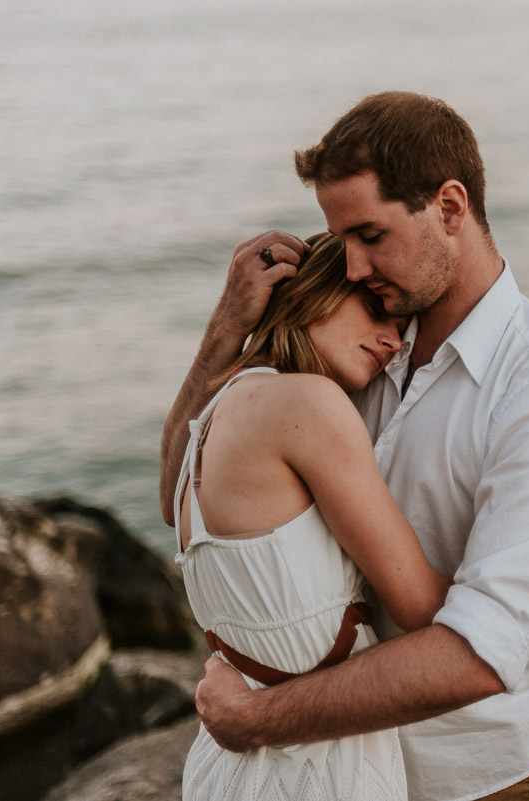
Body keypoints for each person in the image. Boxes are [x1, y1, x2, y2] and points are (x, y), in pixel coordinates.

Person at [160, 91, 529, 801]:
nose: (354, 265)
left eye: (370, 235)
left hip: (474, 776)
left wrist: (259, 717)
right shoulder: (352, 351)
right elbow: (182, 488)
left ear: (450, 208)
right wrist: (225, 334)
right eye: (340, 242)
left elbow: (477, 653)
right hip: (338, 769)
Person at [172, 232, 455, 799]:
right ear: (310, 294)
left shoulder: (212, 417)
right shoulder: (307, 404)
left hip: (231, 772)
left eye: (402, 327)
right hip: (320, 772)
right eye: (376, 308)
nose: (395, 342)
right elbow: (423, 609)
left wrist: (227, 327)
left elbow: (164, 498)